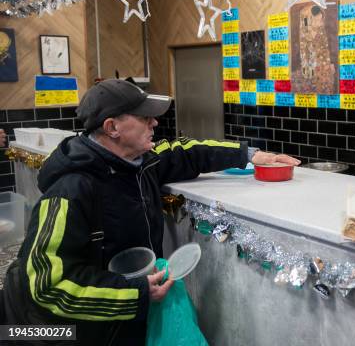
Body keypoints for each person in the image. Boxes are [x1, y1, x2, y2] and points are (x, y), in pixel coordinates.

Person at [2, 79, 300, 345]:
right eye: (145, 117)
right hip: (83, 333)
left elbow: (187, 151)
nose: (155, 123)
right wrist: (135, 294)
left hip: (128, 324)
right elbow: (44, 286)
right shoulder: (71, 189)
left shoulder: (140, 163)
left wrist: (252, 156)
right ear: (112, 127)